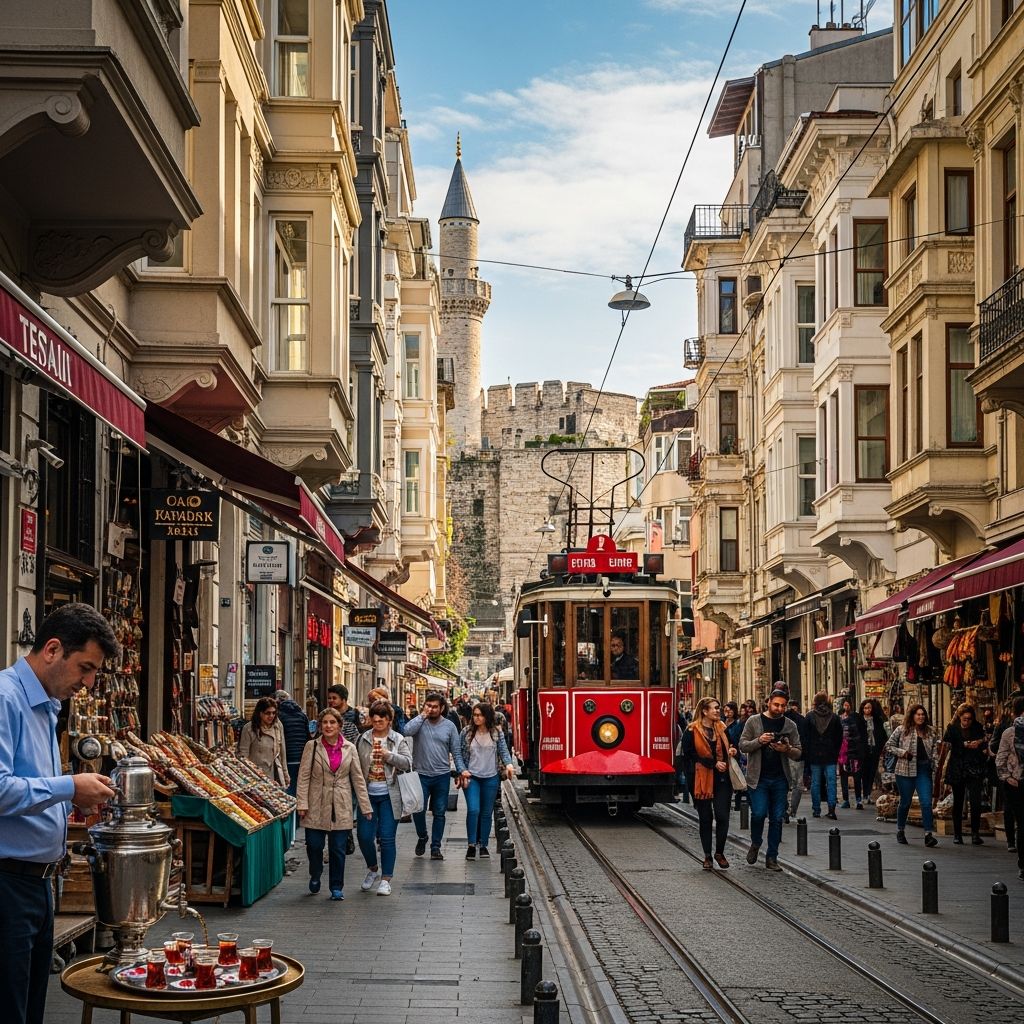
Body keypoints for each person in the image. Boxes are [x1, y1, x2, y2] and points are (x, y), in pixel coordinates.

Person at [0, 604, 119, 1024]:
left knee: (31, 1007)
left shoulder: (47, 705)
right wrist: (69, 786)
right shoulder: (5, 698)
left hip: (38, 884)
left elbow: (28, 787)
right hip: (7, 883)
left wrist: (72, 801)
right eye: (84, 668)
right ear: (52, 649)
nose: (87, 683)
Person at [296, 707, 372, 900]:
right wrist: (302, 803)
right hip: (316, 803)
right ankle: (315, 872)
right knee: (314, 845)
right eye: (325, 723)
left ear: (340, 725)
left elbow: (358, 779)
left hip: (341, 804)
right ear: (320, 726)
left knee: (338, 849)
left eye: (332, 722)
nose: (328, 726)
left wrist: (365, 807)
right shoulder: (312, 746)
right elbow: (303, 777)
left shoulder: (350, 748)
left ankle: (336, 887)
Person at [738, 687, 802, 870]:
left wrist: (787, 749)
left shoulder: (790, 725)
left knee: (776, 818)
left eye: (783, 706)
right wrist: (759, 741)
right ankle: (756, 842)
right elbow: (743, 745)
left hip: (780, 779)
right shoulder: (753, 721)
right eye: (776, 705)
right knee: (758, 814)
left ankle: (772, 857)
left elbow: (798, 752)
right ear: (768, 702)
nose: (780, 708)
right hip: (758, 779)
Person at [355, 701, 412, 896]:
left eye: (381, 718)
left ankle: (386, 879)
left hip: (390, 795)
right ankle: (373, 869)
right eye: (374, 718)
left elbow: (407, 763)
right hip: (367, 795)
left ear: (389, 720)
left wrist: (388, 756)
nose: (377, 721)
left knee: (387, 838)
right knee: (363, 836)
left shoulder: (398, 739)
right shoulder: (363, 739)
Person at [403, 692, 468, 860]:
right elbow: (406, 731)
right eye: (428, 706)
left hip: (442, 775)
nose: (431, 709)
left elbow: (456, 751)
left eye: (434, 707)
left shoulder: (449, 726)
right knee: (419, 810)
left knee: (439, 812)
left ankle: (436, 847)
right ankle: (423, 836)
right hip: (421, 775)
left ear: (442, 708)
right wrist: (422, 716)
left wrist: (461, 770)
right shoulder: (419, 723)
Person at [681, 697, 737, 870]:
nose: (717, 711)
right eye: (714, 708)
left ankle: (719, 852)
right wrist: (712, 764)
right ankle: (707, 856)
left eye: (718, 708)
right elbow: (688, 755)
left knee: (722, 816)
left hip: (722, 779)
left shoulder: (722, 728)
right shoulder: (691, 730)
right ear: (704, 711)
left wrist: (733, 750)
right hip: (701, 780)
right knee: (705, 818)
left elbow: (731, 745)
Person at [459, 703, 515, 859]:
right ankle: (471, 845)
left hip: (491, 777)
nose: (476, 718)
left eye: (480, 715)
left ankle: (483, 845)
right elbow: (458, 753)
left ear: (487, 716)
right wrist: (461, 770)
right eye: (475, 715)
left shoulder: (496, 733)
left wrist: (509, 765)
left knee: (486, 813)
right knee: (473, 810)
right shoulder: (466, 732)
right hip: (472, 777)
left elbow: (503, 751)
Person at [885, 704, 939, 847]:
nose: (920, 717)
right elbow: (888, 746)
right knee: (905, 802)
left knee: (926, 802)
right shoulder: (902, 730)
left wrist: (935, 765)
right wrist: (903, 753)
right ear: (912, 716)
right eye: (918, 714)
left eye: (923, 714)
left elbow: (935, 750)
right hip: (905, 770)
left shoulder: (931, 732)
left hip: (923, 770)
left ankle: (928, 834)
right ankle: (900, 830)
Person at [936, 703, 989, 845]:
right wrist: (963, 745)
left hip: (974, 767)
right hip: (957, 768)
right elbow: (946, 745)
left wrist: (980, 744)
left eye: (969, 719)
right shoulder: (952, 728)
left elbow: (984, 743)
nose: (967, 722)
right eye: (964, 719)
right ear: (959, 717)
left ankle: (975, 834)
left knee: (975, 801)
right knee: (958, 802)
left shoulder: (977, 727)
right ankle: (957, 834)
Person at [994, 697, 1024, 880]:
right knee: (1022, 824)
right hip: (1017, 784)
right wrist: (1008, 778)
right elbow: (1000, 760)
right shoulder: (1010, 733)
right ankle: (1023, 865)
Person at [804, 691, 843, 820]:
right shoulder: (835, 717)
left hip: (815, 755)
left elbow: (806, 738)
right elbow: (839, 738)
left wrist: (808, 753)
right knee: (831, 782)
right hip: (830, 755)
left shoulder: (809, 717)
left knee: (815, 783)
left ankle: (816, 810)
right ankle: (831, 809)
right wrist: (835, 751)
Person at [238, 697, 289, 787]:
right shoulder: (249, 729)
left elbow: (282, 752)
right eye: (267, 713)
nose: (271, 716)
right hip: (255, 775)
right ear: (260, 713)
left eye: (273, 713)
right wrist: (244, 777)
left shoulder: (278, 726)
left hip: (273, 773)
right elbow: (243, 755)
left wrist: (285, 773)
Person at [991, 701, 1019, 853]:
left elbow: (997, 752)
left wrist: (1006, 776)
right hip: (1012, 777)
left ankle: (1011, 842)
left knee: (1010, 809)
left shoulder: (1006, 727)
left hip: (1012, 777)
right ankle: (1011, 841)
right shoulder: (1006, 728)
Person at [274, 690, 310, 798]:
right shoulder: (302, 715)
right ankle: (299, 812)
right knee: (300, 788)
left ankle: (291, 812)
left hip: (287, 757)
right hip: (301, 757)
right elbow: (307, 735)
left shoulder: (279, 717)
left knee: (288, 788)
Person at [854, 699, 887, 806]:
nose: (867, 710)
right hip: (863, 750)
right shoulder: (859, 720)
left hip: (874, 750)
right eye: (865, 708)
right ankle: (864, 795)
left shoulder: (877, 720)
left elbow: (882, 735)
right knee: (863, 772)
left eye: (869, 708)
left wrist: (881, 747)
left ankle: (868, 794)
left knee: (872, 772)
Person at [837, 698, 864, 809]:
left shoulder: (855, 718)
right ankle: (846, 800)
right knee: (843, 777)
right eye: (844, 705)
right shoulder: (838, 720)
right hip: (843, 754)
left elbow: (858, 736)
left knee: (857, 777)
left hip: (854, 753)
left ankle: (858, 800)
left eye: (848, 705)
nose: (846, 707)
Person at [783, 697, 806, 822]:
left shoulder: (781, 719)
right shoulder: (802, 720)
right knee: (797, 784)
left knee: (786, 783)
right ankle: (791, 810)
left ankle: (785, 809)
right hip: (798, 755)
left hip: (785, 755)